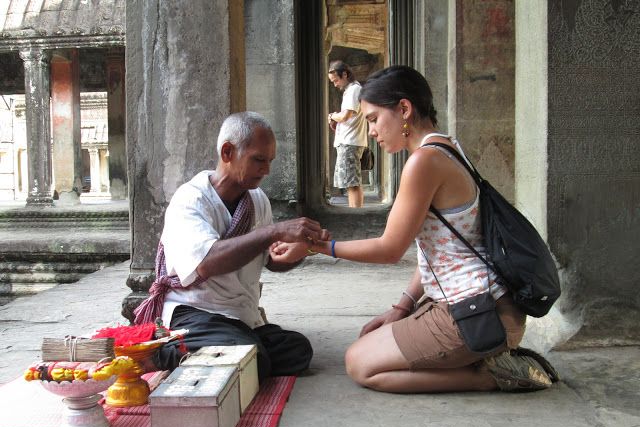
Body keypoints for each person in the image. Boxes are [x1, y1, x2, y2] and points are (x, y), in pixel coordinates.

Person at [274, 66, 554, 393]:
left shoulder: (423, 162)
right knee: (369, 344)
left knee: (360, 364)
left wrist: (316, 247)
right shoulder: (448, 147)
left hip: (475, 314)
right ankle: (488, 359)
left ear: (404, 109)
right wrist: (402, 307)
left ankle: (498, 375)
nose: (373, 131)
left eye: (375, 119)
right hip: (488, 307)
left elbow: (390, 249)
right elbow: (440, 248)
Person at [135, 111, 328, 381]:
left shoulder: (258, 200)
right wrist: (275, 231)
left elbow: (270, 260)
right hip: (195, 312)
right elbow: (207, 262)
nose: (266, 170)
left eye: (270, 161)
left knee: (297, 350)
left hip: (238, 316)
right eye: (259, 160)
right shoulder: (191, 200)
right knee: (251, 357)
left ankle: (235, 351)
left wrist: (300, 251)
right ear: (228, 152)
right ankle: (165, 352)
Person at [327, 60, 368, 208]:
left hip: (350, 142)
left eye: (336, 80)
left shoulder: (353, 90)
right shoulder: (353, 89)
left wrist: (332, 116)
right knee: (351, 182)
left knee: (352, 183)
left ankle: (356, 214)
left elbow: (345, 116)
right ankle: (356, 213)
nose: (335, 84)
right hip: (350, 140)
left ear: (345, 74)